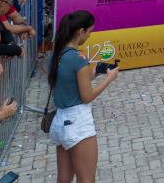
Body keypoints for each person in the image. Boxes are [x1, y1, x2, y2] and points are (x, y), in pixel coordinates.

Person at [47, 10, 119, 183]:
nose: (90, 35)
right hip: (78, 123)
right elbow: (87, 96)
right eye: (90, 31)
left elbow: (70, 82)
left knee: (63, 179)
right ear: (81, 32)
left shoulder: (57, 55)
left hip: (60, 122)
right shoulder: (79, 59)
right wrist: (109, 78)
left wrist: (95, 72)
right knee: (86, 179)